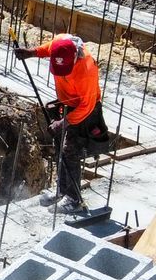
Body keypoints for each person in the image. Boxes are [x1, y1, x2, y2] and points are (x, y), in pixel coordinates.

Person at [14, 34, 106, 215]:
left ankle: (73, 199)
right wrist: (31, 53)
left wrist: (64, 122)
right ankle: (61, 190)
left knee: (70, 151)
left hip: (84, 110)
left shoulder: (86, 69)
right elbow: (49, 48)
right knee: (59, 147)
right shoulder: (60, 43)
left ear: (74, 58)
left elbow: (86, 107)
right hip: (67, 102)